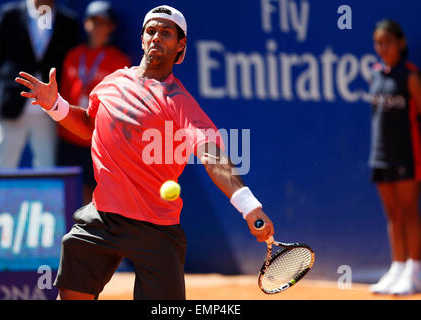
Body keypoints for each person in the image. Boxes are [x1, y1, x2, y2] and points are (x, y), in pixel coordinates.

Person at [15, 5, 274, 300]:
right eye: (151, 31)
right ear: (141, 39)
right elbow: (90, 124)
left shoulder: (180, 103)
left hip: (156, 228)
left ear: (180, 45)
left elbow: (213, 157)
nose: (156, 37)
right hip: (103, 216)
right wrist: (55, 105)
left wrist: (249, 205)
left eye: (166, 33)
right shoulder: (111, 82)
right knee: (72, 293)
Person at [0, 0, 79, 170]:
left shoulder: (67, 21)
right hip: (12, 105)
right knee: (1, 167)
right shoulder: (10, 15)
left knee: (48, 169)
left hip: (50, 110)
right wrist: (13, 84)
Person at [57, 1, 131, 204]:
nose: (97, 27)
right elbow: (63, 94)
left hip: (99, 139)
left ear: (111, 27)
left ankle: (93, 234)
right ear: (85, 24)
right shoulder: (73, 56)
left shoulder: (119, 60)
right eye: (93, 21)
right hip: (69, 136)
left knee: (96, 192)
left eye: (102, 22)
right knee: (70, 190)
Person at [367, 19, 421, 295]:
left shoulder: (410, 77)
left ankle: (414, 271)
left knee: (410, 212)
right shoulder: (375, 74)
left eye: (387, 41)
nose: (382, 47)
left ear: (401, 43)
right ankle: (397, 267)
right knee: (393, 213)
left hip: (407, 155)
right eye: (378, 42)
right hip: (380, 154)